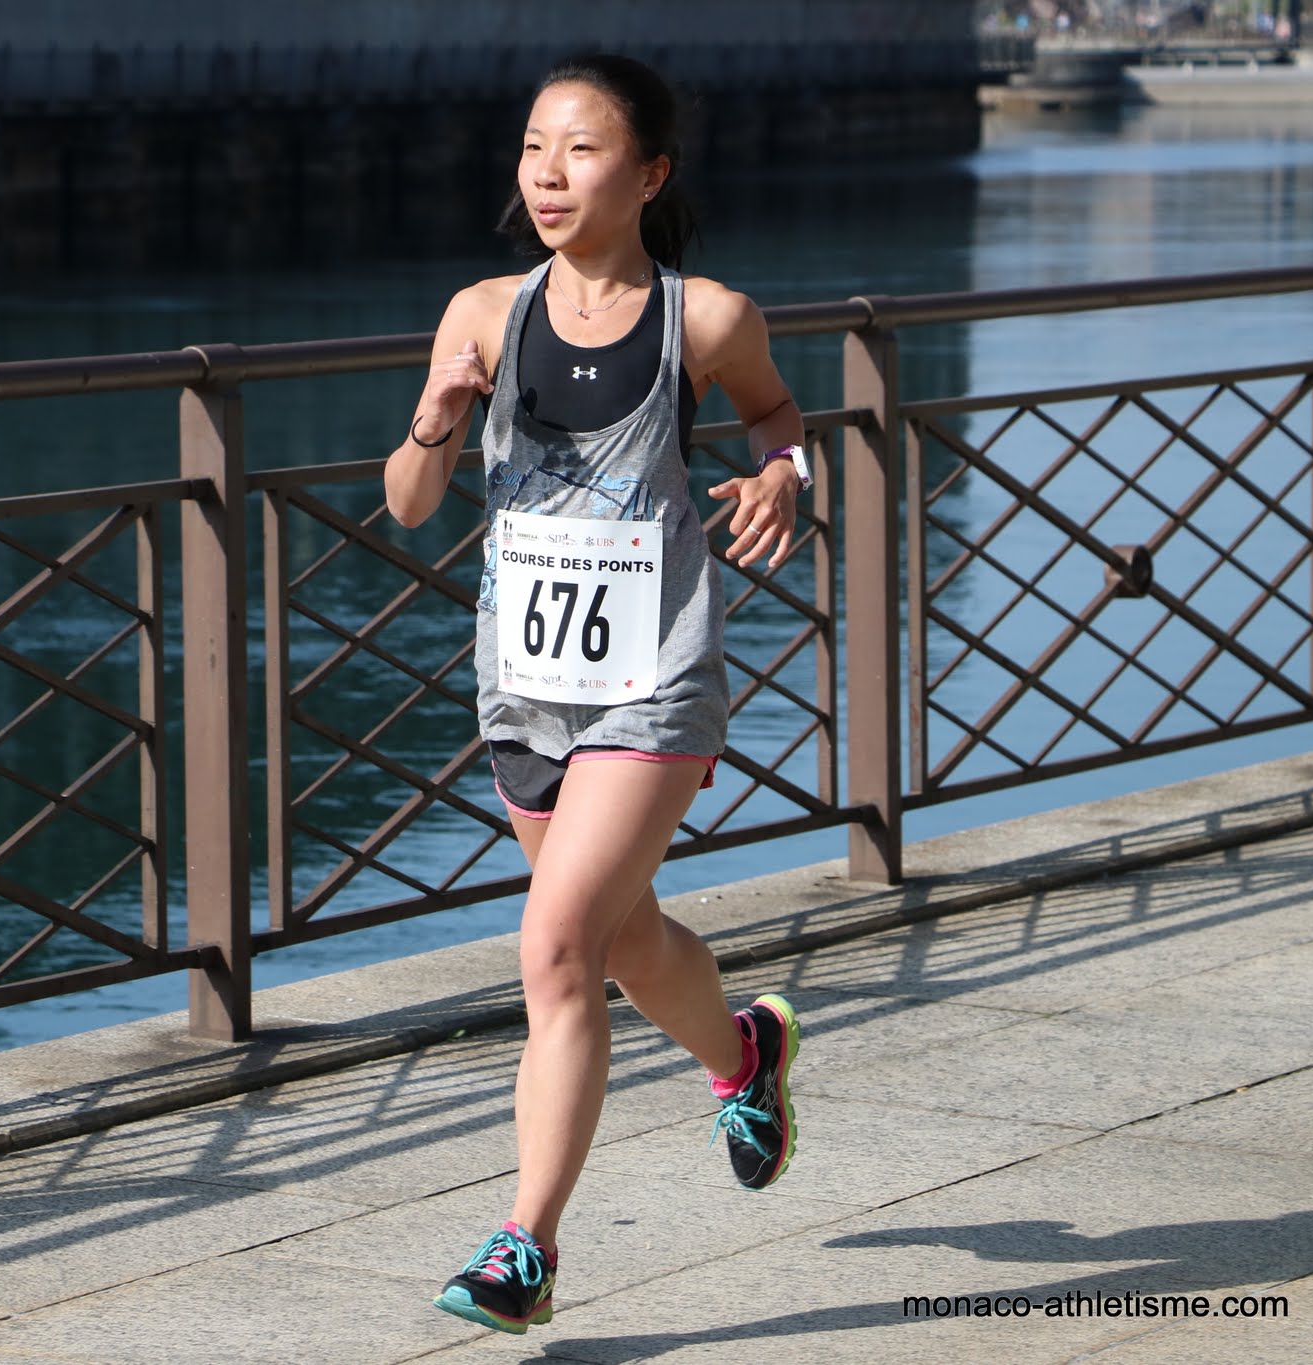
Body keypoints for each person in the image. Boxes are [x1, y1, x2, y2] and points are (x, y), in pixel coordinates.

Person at [382, 54, 808, 1337]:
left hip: (652, 683)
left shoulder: (706, 320)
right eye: (532, 148)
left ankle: (525, 1247)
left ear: (649, 173)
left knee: (556, 944)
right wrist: (437, 418)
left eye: (578, 149)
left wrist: (782, 473)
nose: (547, 175)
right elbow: (407, 504)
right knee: (621, 942)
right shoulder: (479, 313)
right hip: (522, 688)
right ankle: (744, 1053)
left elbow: (776, 419)